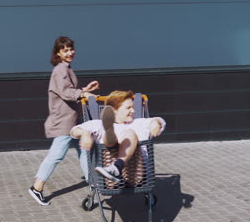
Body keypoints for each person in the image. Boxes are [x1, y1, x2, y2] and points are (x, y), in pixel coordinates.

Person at [28, 36, 100, 206]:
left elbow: (68, 91)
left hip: (71, 119)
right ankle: (37, 188)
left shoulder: (66, 69)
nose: (70, 52)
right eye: (65, 50)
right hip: (64, 121)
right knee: (56, 155)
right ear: (58, 53)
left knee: (84, 150)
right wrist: (83, 94)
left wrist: (84, 90)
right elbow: (66, 93)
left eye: (71, 49)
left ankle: (92, 183)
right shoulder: (60, 69)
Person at [70, 90, 166, 182]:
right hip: (109, 178)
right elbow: (74, 131)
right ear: (114, 110)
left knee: (130, 133)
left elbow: (160, 121)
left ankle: (117, 166)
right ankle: (111, 141)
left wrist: (156, 123)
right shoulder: (98, 124)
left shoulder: (139, 123)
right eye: (128, 108)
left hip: (136, 176)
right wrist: (85, 133)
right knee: (109, 140)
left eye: (132, 107)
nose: (133, 110)